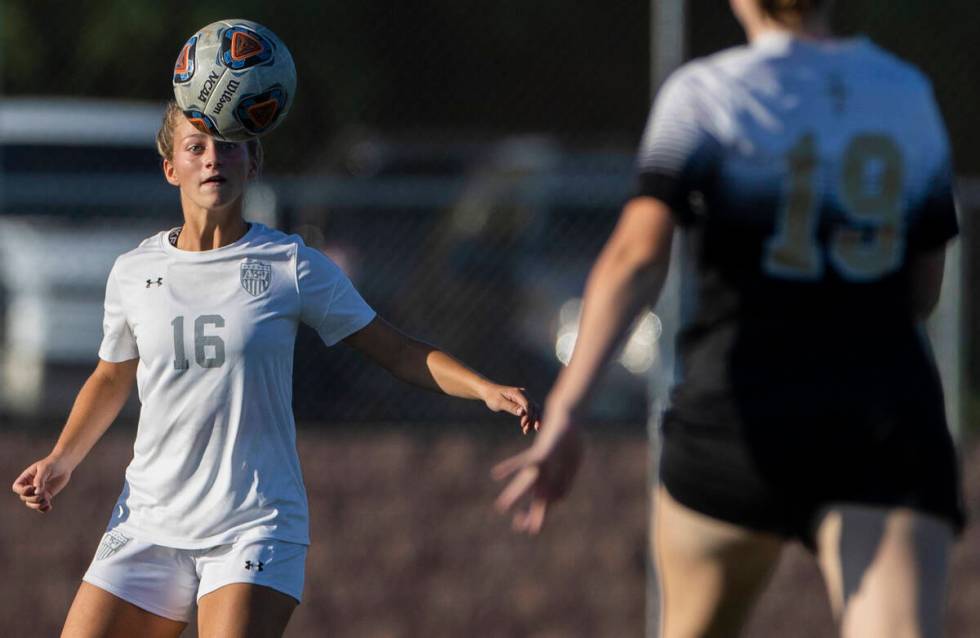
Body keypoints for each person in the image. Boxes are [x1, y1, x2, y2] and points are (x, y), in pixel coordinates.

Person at [494, 0, 964, 636]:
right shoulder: (907, 95)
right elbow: (922, 289)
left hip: (741, 420)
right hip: (879, 423)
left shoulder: (705, 93)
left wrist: (569, 408)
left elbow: (635, 258)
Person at [11, 101, 540, 638]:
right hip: (148, 521)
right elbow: (109, 376)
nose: (213, 158)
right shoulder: (134, 272)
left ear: (253, 163)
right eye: (196, 147)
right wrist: (62, 459)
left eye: (229, 146)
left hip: (252, 525)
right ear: (172, 167)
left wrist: (483, 388)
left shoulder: (291, 264)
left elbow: (397, 349)